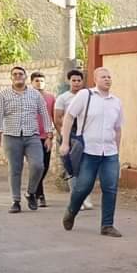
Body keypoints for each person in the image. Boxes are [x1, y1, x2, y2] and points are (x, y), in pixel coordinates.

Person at [60, 66, 124, 237]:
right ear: (95, 80)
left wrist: (117, 152)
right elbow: (69, 117)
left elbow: (118, 129)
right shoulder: (85, 95)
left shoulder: (116, 102)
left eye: (109, 77)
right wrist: (65, 142)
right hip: (88, 151)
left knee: (110, 188)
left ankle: (107, 225)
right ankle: (71, 211)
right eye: (103, 77)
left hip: (109, 152)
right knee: (83, 187)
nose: (107, 79)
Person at [0, 65, 54, 213]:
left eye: (20, 74)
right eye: (15, 74)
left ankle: (31, 192)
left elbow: (45, 114)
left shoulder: (35, 94)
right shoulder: (3, 95)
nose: (18, 76)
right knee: (15, 169)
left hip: (32, 136)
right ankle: (16, 201)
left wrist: (49, 136)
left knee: (38, 166)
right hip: (11, 136)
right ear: (11, 77)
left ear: (25, 77)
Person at [55, 69, 93, 210]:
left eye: (79, 80)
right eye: (74, 80)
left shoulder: (89, 96)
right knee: (72, 167)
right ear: (69, 81)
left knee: (86, 166)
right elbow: (58, 118)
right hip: (70, 135)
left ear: (83, 81)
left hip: (86, 134)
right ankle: (75, 198)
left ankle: (86, 197)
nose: (76, 83)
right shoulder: (63, 98)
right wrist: (65, 136)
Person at [30, 71, 57, 207]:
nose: (39, 83)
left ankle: (34, 190)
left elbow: (54, 117)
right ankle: (40, 195)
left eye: (41, 81)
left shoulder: (50, 98)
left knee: (45, 166)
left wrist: (52, 135)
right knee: (37, 166)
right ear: (31, 83)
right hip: (31, 137)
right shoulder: (27, 97)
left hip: (45, 136)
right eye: (36, 81)